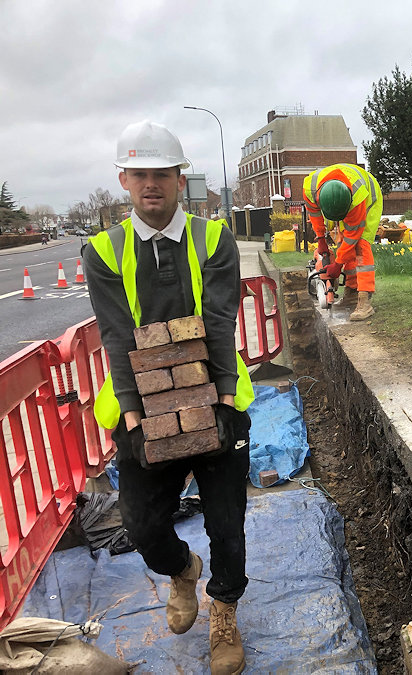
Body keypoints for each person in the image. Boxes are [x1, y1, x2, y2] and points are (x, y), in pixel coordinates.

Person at [83, 120, 254, 674]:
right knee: (141, 525)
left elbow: (222, 320)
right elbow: (115, 333)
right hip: (143, 405)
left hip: (215, 394)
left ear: (181, 180)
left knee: (227, 522)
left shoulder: (213, 238)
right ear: (124, 180)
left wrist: (225, 399)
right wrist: (133, 413)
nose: (151, 184)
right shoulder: (104, 251)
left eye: (162, 174)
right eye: (141, 175)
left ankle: (224, 607)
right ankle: (183, 570)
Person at [302, 163, 383, 320]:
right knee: (342, 243)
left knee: (360, 246)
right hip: (346, 201)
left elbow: (353, 237)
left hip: (369, 199)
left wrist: (338, 265)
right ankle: (352, 292)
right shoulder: (310, 189)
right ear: (319, 199)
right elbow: (315, 215)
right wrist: (321, 240)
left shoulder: (357, 198)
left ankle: (364, 302)